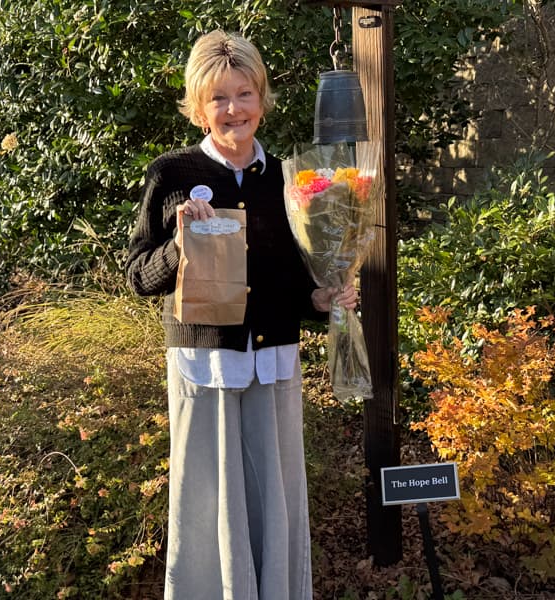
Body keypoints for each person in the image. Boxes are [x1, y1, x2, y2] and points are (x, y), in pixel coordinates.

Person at [125, 29, 357, 600]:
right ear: (200, 107)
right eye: (219, 98)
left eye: (244, 94)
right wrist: (180, 246)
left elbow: (290, 281)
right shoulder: (171, 175)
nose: (234, 110)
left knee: (274, 501)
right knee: (208, 506)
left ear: (262, 98)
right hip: (205, 369)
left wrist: (320, 299)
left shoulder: (286, 179)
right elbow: (136, 277)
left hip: (274, 361)